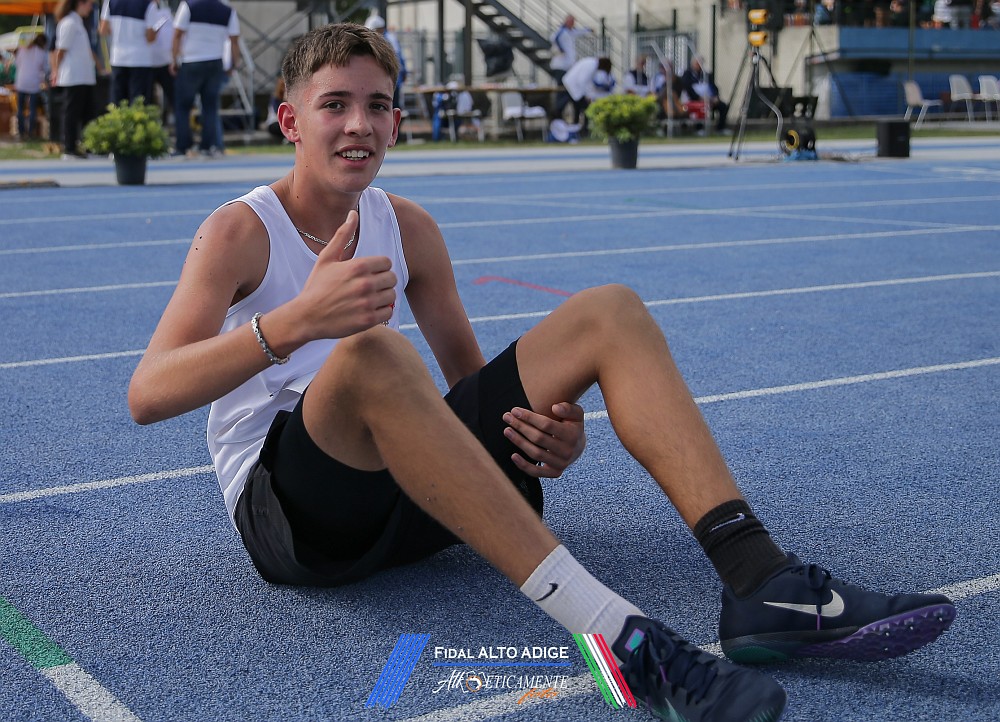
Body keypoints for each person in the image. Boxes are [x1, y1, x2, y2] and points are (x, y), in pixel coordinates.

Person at [128, 23, 957, 722]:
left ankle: (762, 579)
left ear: (398, 123)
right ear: (289, 121)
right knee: (373, 354)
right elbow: (147, 393)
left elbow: (473, 389)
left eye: (378, 105)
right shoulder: (240, 231)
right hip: (293, 518)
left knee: (610, 311)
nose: (359, 124)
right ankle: (623, 643)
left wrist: (544, 433)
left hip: (407, 495)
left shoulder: (408, 227)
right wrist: (295, 323)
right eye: (334, 104)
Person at [169, 0, 240, 157]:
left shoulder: (188, 5)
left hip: (191, 60)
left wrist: (174, 59)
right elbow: (234, 41)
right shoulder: (228, 11)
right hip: (215, 61)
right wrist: (233, 64)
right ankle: (207, 146)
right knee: (210, 106)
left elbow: (177, 34)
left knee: (183, 106)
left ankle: (183, 146)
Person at [52, 0, 104, 158]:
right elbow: (60, 51)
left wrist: (100, 68)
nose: (91, 8)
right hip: (73, 76)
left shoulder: (78, 22)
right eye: (89, 4)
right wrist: (55, 72)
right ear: (80, 3)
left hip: (84, 76)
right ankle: (69, 148)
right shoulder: (68, 23)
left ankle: (90, 146)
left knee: (88, 112)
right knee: (72, 113)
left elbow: (87, 50)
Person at [98, 0, 157, 103]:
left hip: (118, 58)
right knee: (138, 103)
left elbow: (103, 30)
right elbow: (150, 37)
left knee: (118, 102)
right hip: (140, 59)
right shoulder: (149, 3)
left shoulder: (110, 1)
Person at [553, 55, 614, 135]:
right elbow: (582, 80)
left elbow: (586, 82)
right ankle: (581, 130)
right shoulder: (592, 65)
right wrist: (587, 95)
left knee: (579, 108)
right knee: (582, 108)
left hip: (573, 86)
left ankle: (578, 129)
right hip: (572, 86)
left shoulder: (592, 62)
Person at [363, 12, 406, 110]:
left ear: (380, 29)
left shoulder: (389, 40)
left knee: (391, 105)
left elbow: (398, 59)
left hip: (391, 79)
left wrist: (403, 73)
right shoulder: (382, 39)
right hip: (381, 79)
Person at [13, 33, 50, 141]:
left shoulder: (22, 50)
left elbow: (17, 64)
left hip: (21, 82)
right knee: (33, 109)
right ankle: (31, 133)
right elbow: (45, 68)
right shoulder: (42, 53)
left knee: (20, 109)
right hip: (34, 83)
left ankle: (21, 132)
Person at [681, 56, 729, 133]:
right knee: (700, 107)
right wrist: (699, 98)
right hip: (695, 100)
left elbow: (714, 87)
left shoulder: (706, 75)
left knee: (723, 106)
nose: (699, 65)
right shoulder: (687, 74)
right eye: (697, 63)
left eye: (701, 63)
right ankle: (699, 128)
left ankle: (720, 128)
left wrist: (715, 96)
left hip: (709, 99)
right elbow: (688, 89)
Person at [148, 0, 174, 126]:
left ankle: (168, 121)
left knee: (173, 97)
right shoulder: (145, 9)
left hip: (165, 61)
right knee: (148, 99)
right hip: (148, 62)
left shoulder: (166, 12)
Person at [548, 14, 590, 85]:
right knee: (562, 84)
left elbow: (579, 31)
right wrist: (561, 49)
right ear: (566, 22)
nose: (572, 24)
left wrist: (589, 30)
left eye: (573, 22)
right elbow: (554, 38)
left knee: (568, 84)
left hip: (568, 65)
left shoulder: (570, 31)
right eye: (570, 22)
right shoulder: (561, 31)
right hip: (561, 65)